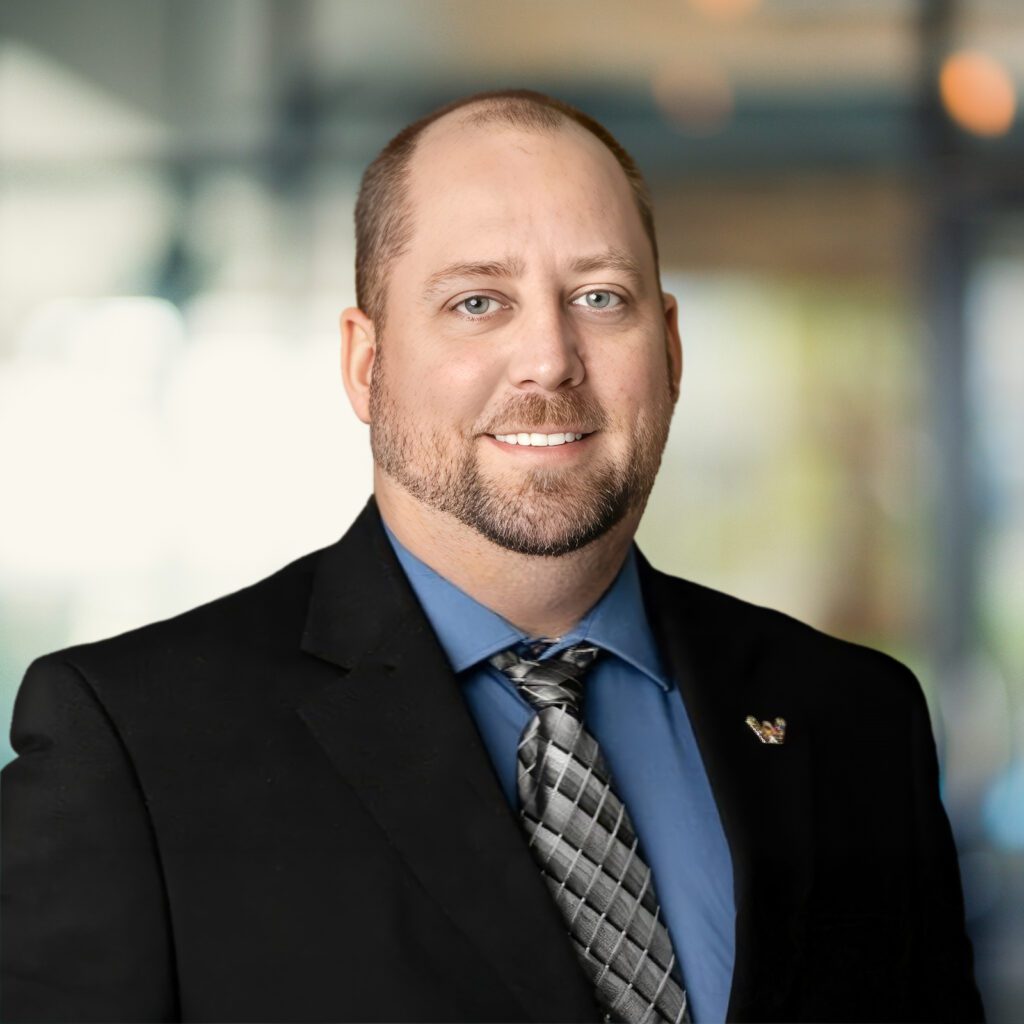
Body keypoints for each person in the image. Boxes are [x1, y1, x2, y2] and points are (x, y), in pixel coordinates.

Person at [1, 89, 983, 1024]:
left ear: (670, 350)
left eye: (599, 296)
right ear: (365, 363)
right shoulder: (134, 744)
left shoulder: (856, 718)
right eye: (477, 302)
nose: (549, 359)